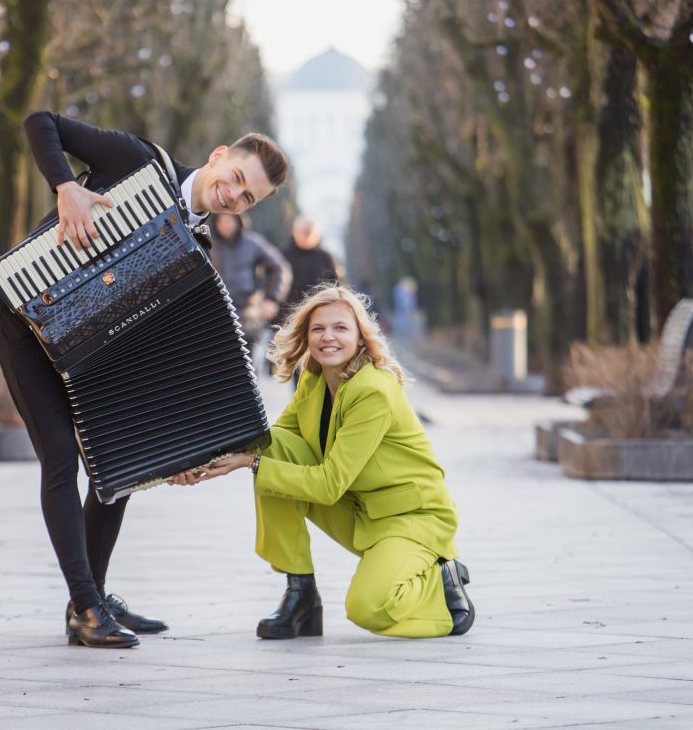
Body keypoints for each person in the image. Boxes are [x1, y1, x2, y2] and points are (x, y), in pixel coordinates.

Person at [0, 111, 289, 648]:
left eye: (248, 200)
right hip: (23, 317)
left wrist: (179, 448)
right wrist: (66, 190)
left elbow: (165, 350)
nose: (234, 197)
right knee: (60, 456)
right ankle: (84, 607)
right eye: (237, 178)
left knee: (120, 461)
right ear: (220, 155)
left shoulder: (198, 248)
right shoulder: (140, 162)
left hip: (87, 340)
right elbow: (39, 122)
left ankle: (93, 597)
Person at [172, 283, 473, 640]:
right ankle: (300, 594)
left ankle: (442, 585)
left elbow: (329, 485)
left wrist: (248, 464)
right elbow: (269, 443)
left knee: (367, 608)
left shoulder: (372, 390)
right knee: (272, 449)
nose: (328, 337)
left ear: (361, 338)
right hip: (361, 508)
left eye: (340, 328)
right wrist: (197, 460)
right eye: (318, 329)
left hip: (410, 518)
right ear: (307, 336)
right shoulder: (314, 380)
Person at [209, 213, 290, 356]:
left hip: (248, 318)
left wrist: (272, 298)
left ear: (238, 220)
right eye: (221, 220)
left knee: (247, 367)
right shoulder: (208, 245)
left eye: (229, 220)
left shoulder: (253, 243)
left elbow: (279, 267)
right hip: (215, 317)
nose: (225, 224)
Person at [278, 215, 344, 384]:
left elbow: (338, 289)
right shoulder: (282, 256)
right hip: (291, 321)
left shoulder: (327, 258)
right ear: (295, 232)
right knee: (297, 370)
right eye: (303, 232)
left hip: (321, 322)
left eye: (310, 232)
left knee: (320, 367)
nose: (307, 235)